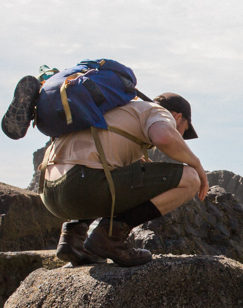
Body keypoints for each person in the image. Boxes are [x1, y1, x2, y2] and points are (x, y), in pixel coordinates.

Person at [34, 92, 209, 266]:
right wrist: (197, 165)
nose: (181, 137)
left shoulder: (119, 110)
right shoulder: (157, 111)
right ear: (177, 117)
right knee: (190, 179)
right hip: (81, 186)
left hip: (49, 194)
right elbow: (164, 137)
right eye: (182, 131)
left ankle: (73, 236)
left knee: (116, 172)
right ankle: (111, 236)